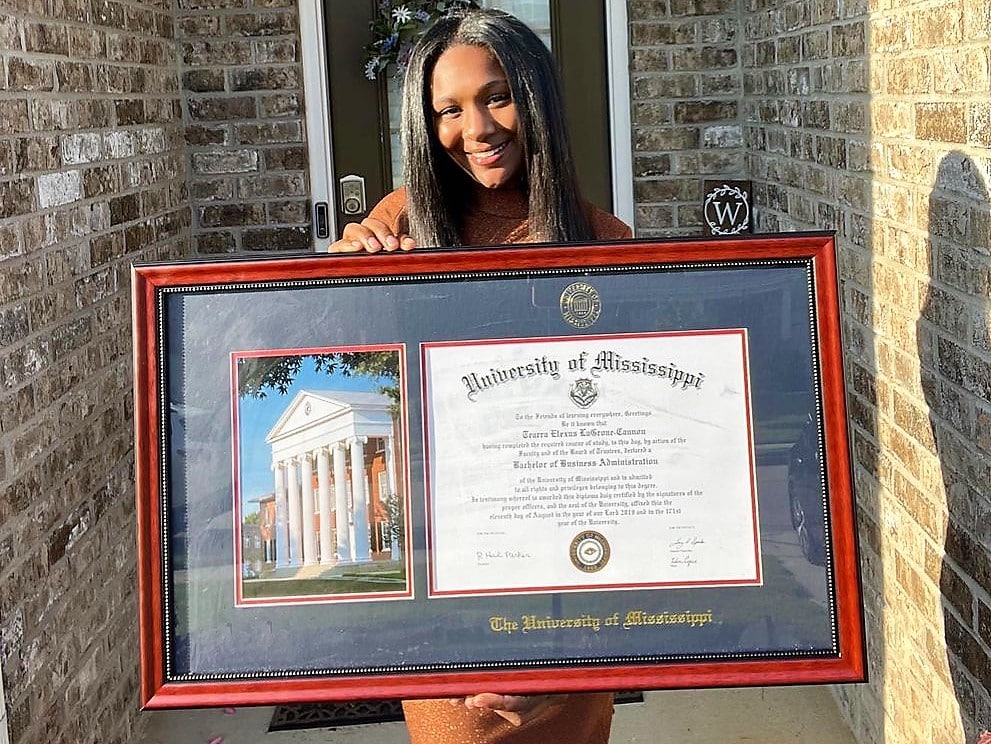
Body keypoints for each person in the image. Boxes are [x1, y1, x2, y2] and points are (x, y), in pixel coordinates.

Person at [330, 7, 631, 743]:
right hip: (450, 582)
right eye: (448, 109)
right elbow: (361, 386)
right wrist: (336, 289)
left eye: (496, 96)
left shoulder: (605, 242)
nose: (478, 127)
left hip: (572, 575)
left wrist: (576, 658)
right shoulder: (399, 227)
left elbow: (627, 447)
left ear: (536, 98)